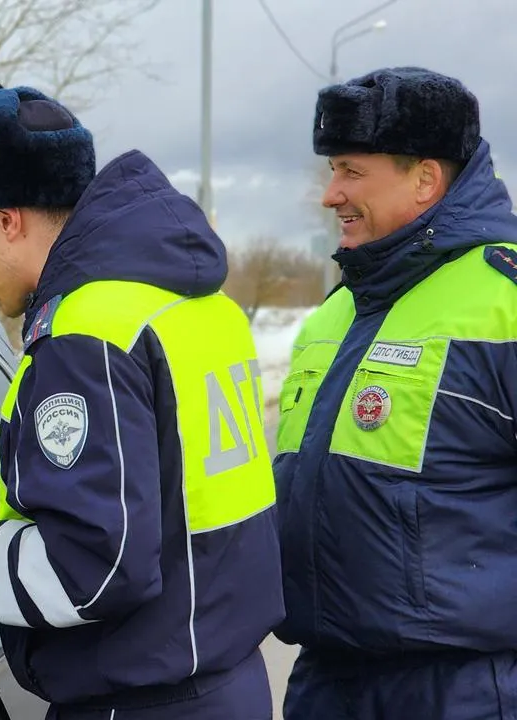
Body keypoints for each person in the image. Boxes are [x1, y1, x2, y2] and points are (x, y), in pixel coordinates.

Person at [0, 85, 284, 719]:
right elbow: (166, 488)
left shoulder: (84, 332)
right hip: (224, 682)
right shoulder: (194, 304)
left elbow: (95, 570)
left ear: (7, 218)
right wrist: (13, 478)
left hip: (139, 701)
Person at [272, 67, 517, 719]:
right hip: (325, 684)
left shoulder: (506, 304)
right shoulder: (334, 315)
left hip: (465, 692)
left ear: (425, 179)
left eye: (351, 171)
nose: (331, 195)